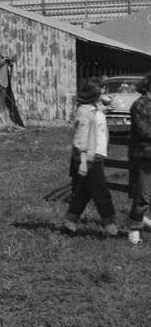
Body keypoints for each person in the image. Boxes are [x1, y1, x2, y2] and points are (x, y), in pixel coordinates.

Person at [62, 77, 119, 237]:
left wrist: (106, 105)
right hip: (88, 159)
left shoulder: (93, 108)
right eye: (102, 91)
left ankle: (69, 223)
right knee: (102, 193)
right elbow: (80, 138)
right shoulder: (85, 111)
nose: (105, 93)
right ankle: (111, 228)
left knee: (84, 192)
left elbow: (103, 109)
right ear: (94, 93)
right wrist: (83, 161)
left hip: (95, 156)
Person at [126, 73, 151, 244]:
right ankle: (134, 229)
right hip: (143, 155)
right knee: (142, 195)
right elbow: (143, 131)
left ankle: (141, 220)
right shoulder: (139, 104)